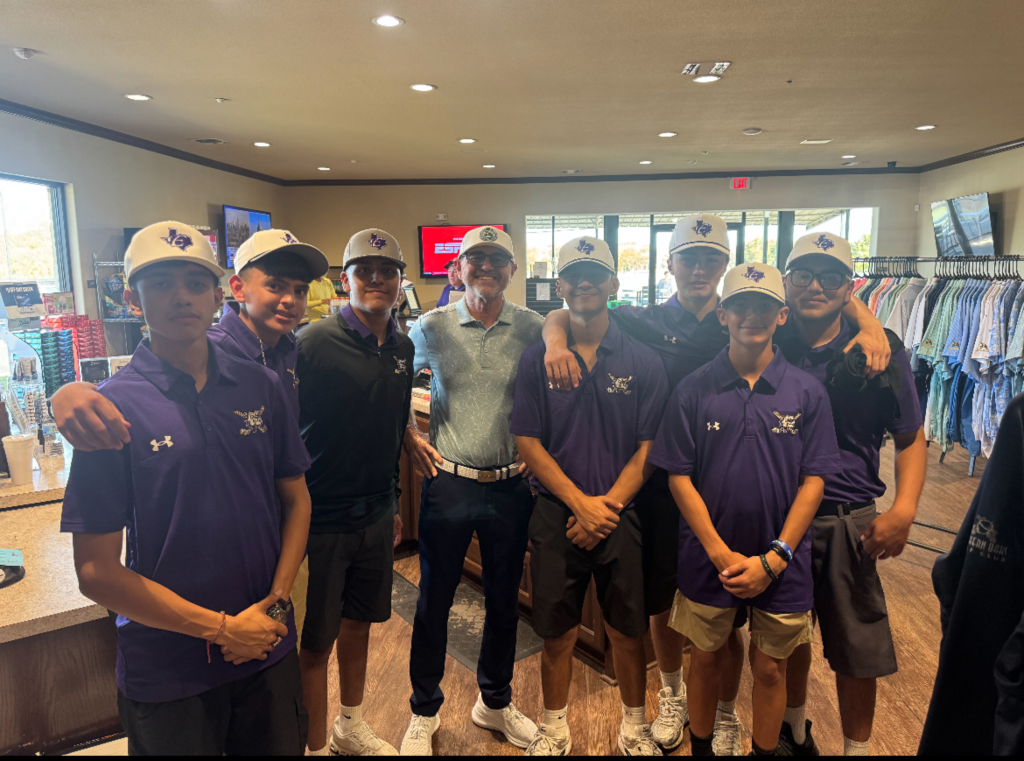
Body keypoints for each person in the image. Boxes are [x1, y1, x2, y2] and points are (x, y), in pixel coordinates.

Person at [540, 214, 891, 755]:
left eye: (711, 258)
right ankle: (675, 693)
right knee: (668, 604)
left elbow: (817, 299)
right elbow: (573, 308)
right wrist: (553, 341)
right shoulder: (643, 320)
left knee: (741, 624)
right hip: (666, 488)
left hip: (759, 492)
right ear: (670, 263)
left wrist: (869, 321)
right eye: (689, 257)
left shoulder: (763, 324)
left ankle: (726, 710)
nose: (700, 268)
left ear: (726, 267)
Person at [60, 221, 313, 755]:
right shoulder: (110, 409)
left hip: (265, 649)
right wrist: (223, 629)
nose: (182, 297)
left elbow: (295, 498)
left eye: (196, 283)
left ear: (218, 295)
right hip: (169, 668)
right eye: (160, 284)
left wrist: (275, 604)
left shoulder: (261, 386)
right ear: (132, 299)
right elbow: (96, 572)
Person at [649, 262, 841, 757]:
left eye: (761, 306)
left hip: (784, 561)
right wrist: (717, 553)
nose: (749, 316)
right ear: (722, 315)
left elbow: (814, 480)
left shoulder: (807, 391)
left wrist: (776, 557)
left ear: (781, 315)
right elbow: (678, 475)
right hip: (708, 558)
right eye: (739, 306)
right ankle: (702, 747)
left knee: (772, 667)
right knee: (707, 658)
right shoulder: (693, 389)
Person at [511, 236, 670, 757]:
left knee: (628, 630)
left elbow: (649, 448)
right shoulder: (538, 358)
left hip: (620, 514)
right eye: (574, 274)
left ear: (613, 285)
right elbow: (528, 444)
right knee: (555, 633)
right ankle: (554, 728)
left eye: (595, 274)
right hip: (557, 514)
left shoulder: (644, 360)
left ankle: (634, 724)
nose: (585, 282)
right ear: (559, 287)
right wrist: (580, 503)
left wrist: (604, 508)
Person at [773, 233, 926, 757]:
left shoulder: (883, 352)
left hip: (847, 518)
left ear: (849, 286)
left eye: (831, 277)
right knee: (785, 638)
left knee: (857, 650)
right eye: (803, 275)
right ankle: (794, 731)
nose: (815, 286)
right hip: (780, 518)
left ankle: (856, 751)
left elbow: (909, 436)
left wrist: (905, 509)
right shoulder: (767, 335)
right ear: (786, 281)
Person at [400, 226, 541, 755]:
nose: (486, 267)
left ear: (511, 270)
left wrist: (540, 446)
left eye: (497, 259)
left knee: (505, 602)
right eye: (475, 258)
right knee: (434, 599)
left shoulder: (533, 326)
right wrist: (408, 435)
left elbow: (553, 393)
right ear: (456, 268)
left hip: (510, 487)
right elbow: (395, 382)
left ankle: (495, 703)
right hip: (449, 483)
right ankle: (423, 710)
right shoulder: (431, 325)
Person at [297, 228, 414, 757]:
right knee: (313, 643)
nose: (376, 280)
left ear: (399, 282)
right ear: (343, 281)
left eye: (386, 272)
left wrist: (390, 502)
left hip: (374, 512)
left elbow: (390, 427)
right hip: (319, 518)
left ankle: (350, 724)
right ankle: (315, 746)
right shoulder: (312, 342)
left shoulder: (402, 345)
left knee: (360, 623)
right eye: (363, 271)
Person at [51, 228, 329, 443]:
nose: (290, 300)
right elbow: (135, 387)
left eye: (300, 290)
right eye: (275, 285)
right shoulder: (212, 348)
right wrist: (67, 394)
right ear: (236, 289)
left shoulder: (290, 345)